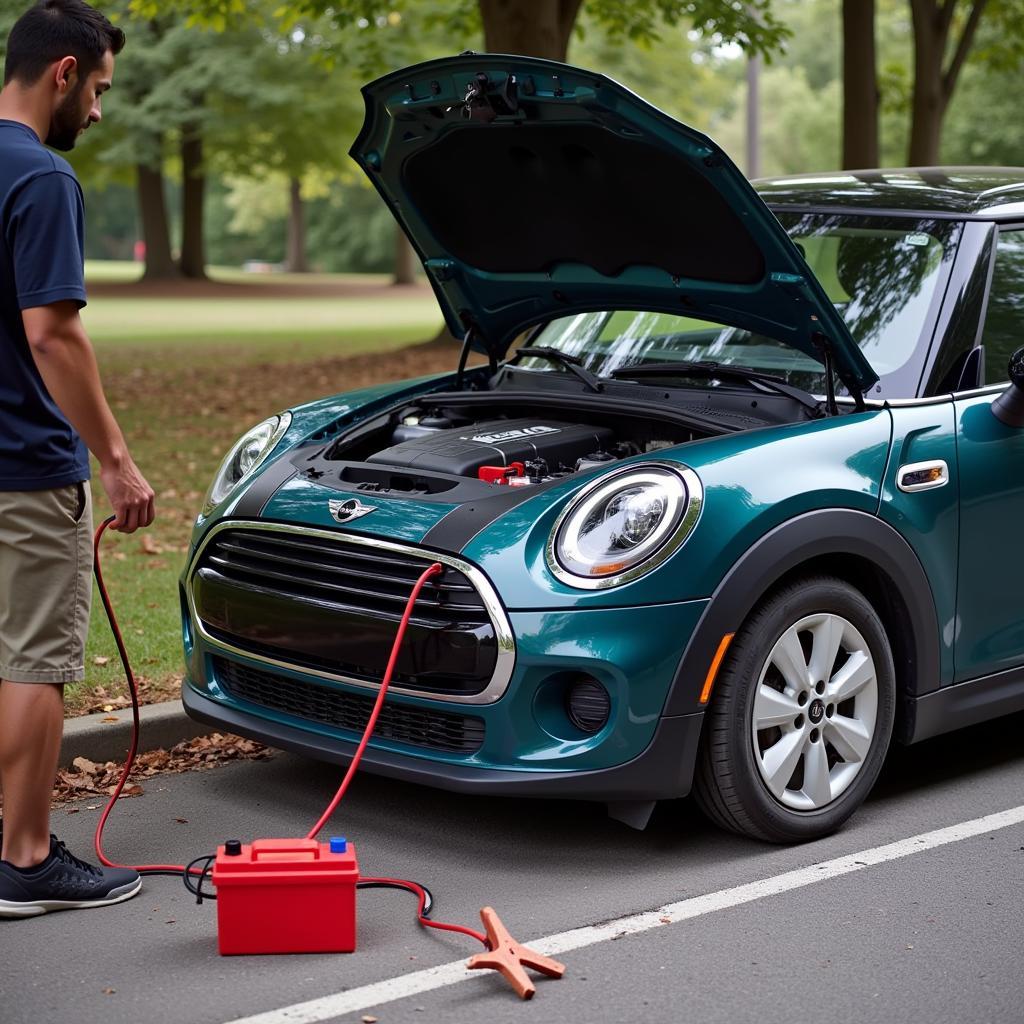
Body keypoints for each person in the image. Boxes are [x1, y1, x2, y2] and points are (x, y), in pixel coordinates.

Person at [0, 0, 155, 918]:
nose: (97, 110)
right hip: (21, 465)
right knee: (31, 660)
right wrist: (118, 459)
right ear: (63, 72)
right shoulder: (40, 178)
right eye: (96, 88)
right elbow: (54, 335)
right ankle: (23, 861)